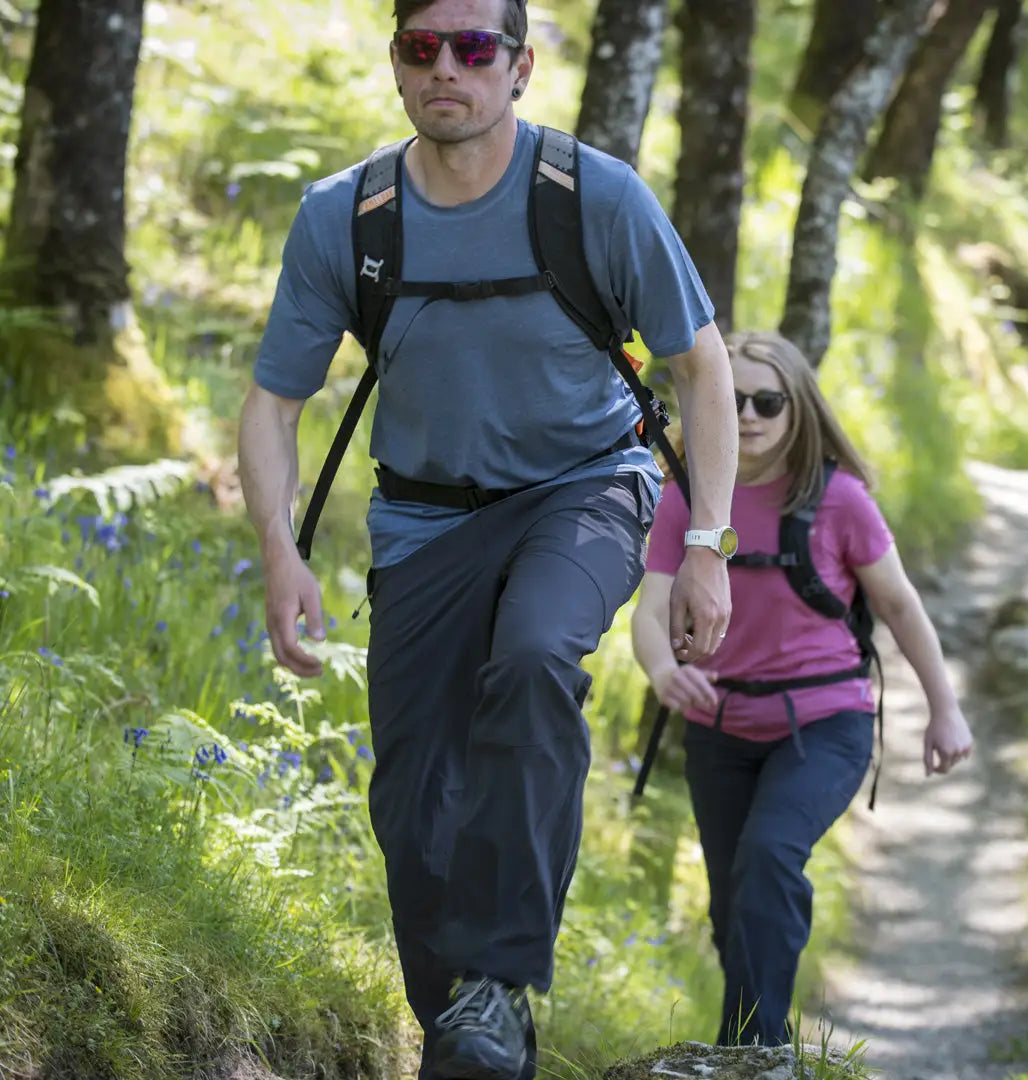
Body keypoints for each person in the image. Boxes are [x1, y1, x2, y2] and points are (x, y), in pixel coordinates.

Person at [237, 1, 740, 1077]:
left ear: (519, 68)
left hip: (586, 487)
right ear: (397, 64)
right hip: (421, 517)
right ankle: (460, 1029)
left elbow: (699, 366)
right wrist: (280, 553)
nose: (447, 69)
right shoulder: (349, 216)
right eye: (424, 47)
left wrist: (710, 541)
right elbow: (275, 402)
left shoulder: (592, 196)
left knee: (535, 657)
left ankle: (503, 980)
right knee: (412, 800)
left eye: (474, 48)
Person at [630, 330, 974, 1048]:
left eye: (768, 400)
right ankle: (763, 1039)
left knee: (769, 857)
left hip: (825, 723)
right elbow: (651, 608)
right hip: (720, 728)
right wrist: (664, 670)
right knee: (732, 907)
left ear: (799, 408)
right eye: (735, 399)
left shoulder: (838, 499)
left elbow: (901, 607)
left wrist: (944, 710)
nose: (749, 414)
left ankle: (750, 1053)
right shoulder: (686, 500)